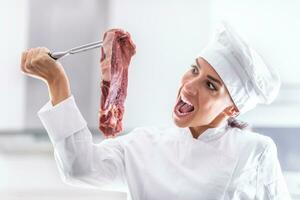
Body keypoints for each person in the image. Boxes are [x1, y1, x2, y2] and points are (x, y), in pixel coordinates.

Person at [20, 22, 291, 200]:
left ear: (232, 107)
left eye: (210, 85)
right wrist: (56, 81)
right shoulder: (144, 145)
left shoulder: (254, 151)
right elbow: (79, 168)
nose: (189, 85)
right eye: (194, 69)